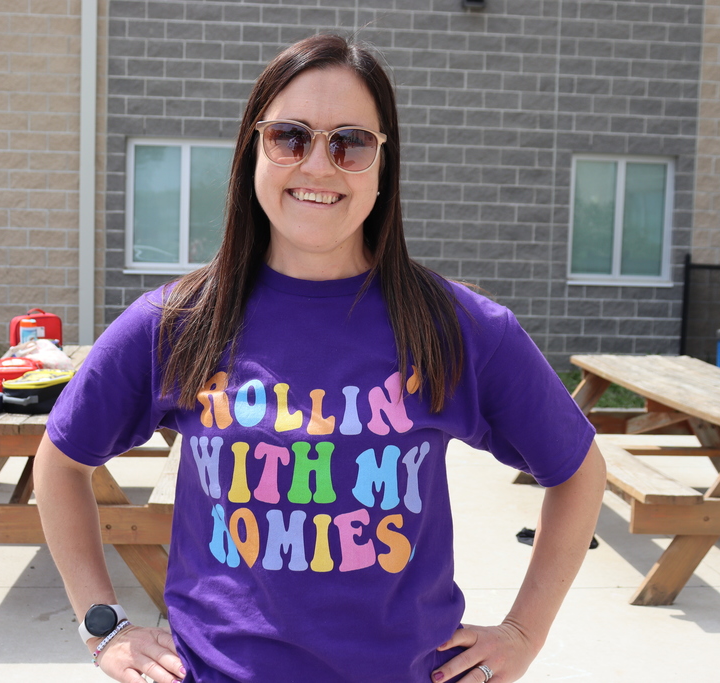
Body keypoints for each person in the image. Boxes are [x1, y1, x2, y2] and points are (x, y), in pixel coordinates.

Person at [34, 34, 606, 683]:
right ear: (255, 146)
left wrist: (524, 632)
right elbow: (59, 462)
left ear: (383, 163)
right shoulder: (179, 322)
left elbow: (578, 470)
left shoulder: (455, 326)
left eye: (350, 143)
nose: (318, 165)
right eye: (290, 136)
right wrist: (103, 625)